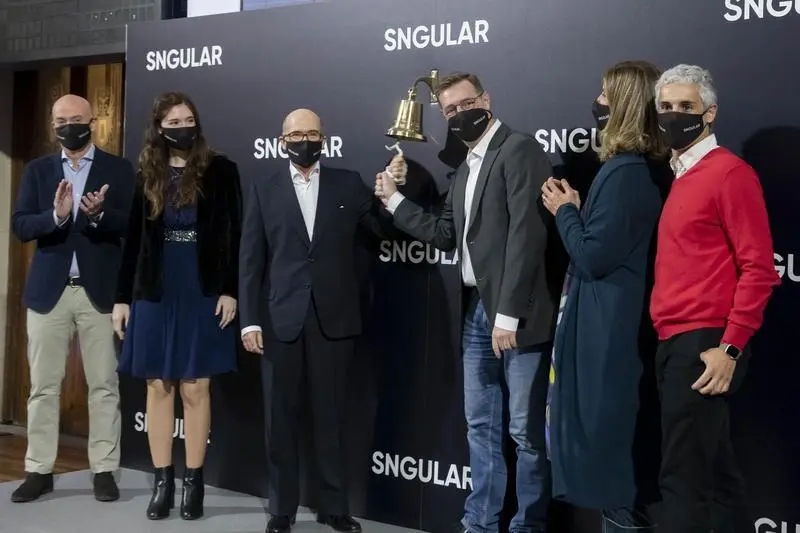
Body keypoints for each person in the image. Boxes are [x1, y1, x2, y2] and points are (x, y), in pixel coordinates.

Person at [375, 72, 557, 533]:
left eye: (466, 104)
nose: (460, 114)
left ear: (486, 99)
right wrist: (394, 201)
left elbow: (527, 236)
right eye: (450, 110)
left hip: (516, 315)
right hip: (475, 312)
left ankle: (528, 526)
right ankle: (480, 523)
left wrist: (508, 315)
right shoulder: (465, 167)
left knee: (525, 433)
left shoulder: (519, 149)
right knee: (481, 427)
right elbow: (444, 234)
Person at [240, 108, 390, 533]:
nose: (304, 141)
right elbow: (250, 259)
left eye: (312, 134)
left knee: (333, 418)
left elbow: (382, 231)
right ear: (282, 140)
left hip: (334, 319)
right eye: (296, 135)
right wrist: (250, 321)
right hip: (279, 320)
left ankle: (334, 507)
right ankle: (281, 509)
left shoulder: (348, 183)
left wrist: (391, 195)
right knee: (279, 420)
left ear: (323, 139)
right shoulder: (264, 188)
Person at [541, 60, 670, 532]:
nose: (596, 104)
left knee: (613, 482)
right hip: (615, 329)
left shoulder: (625, 173)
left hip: (609, 337)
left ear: (624, 107)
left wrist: (564, 210)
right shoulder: (637, 170)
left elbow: (593, 256)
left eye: (604, 95)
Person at [650, 64, 780, 533]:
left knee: (682, 481)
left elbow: (759, 269)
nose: (674, 115)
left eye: (686, 106)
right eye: (666, 106)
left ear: (709, 113)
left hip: (704, 345)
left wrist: (730, 348)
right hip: (675, 340)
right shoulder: (682, 174)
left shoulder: (729, 174)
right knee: (717, 478)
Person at [111, 92, 241, 520]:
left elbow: (234, 235)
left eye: (188, 120)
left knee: (195, 386)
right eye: (174, 122)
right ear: (159, 128)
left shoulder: (221, 170)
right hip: (155, 287)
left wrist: (230, 289)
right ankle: (162, 481)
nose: (183, 127)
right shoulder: (147, 171)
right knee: (158, 385)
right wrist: (122, 298)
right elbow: (133, 240)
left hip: (202, 288)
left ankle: (193, 482)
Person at [9, 94, 135, 503]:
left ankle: (104, 470)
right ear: (53, 126)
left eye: (76, 119)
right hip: (49, 293)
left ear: (92, 122)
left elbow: (133, 225)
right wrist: (57, 217)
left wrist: (98, 216)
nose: (68, 126)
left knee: (104, 385)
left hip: (99, 293)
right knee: (43, 387)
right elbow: (21, 225)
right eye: (61, 121)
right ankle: (38, 470)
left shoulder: (118, 169)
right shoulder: (37, 170)